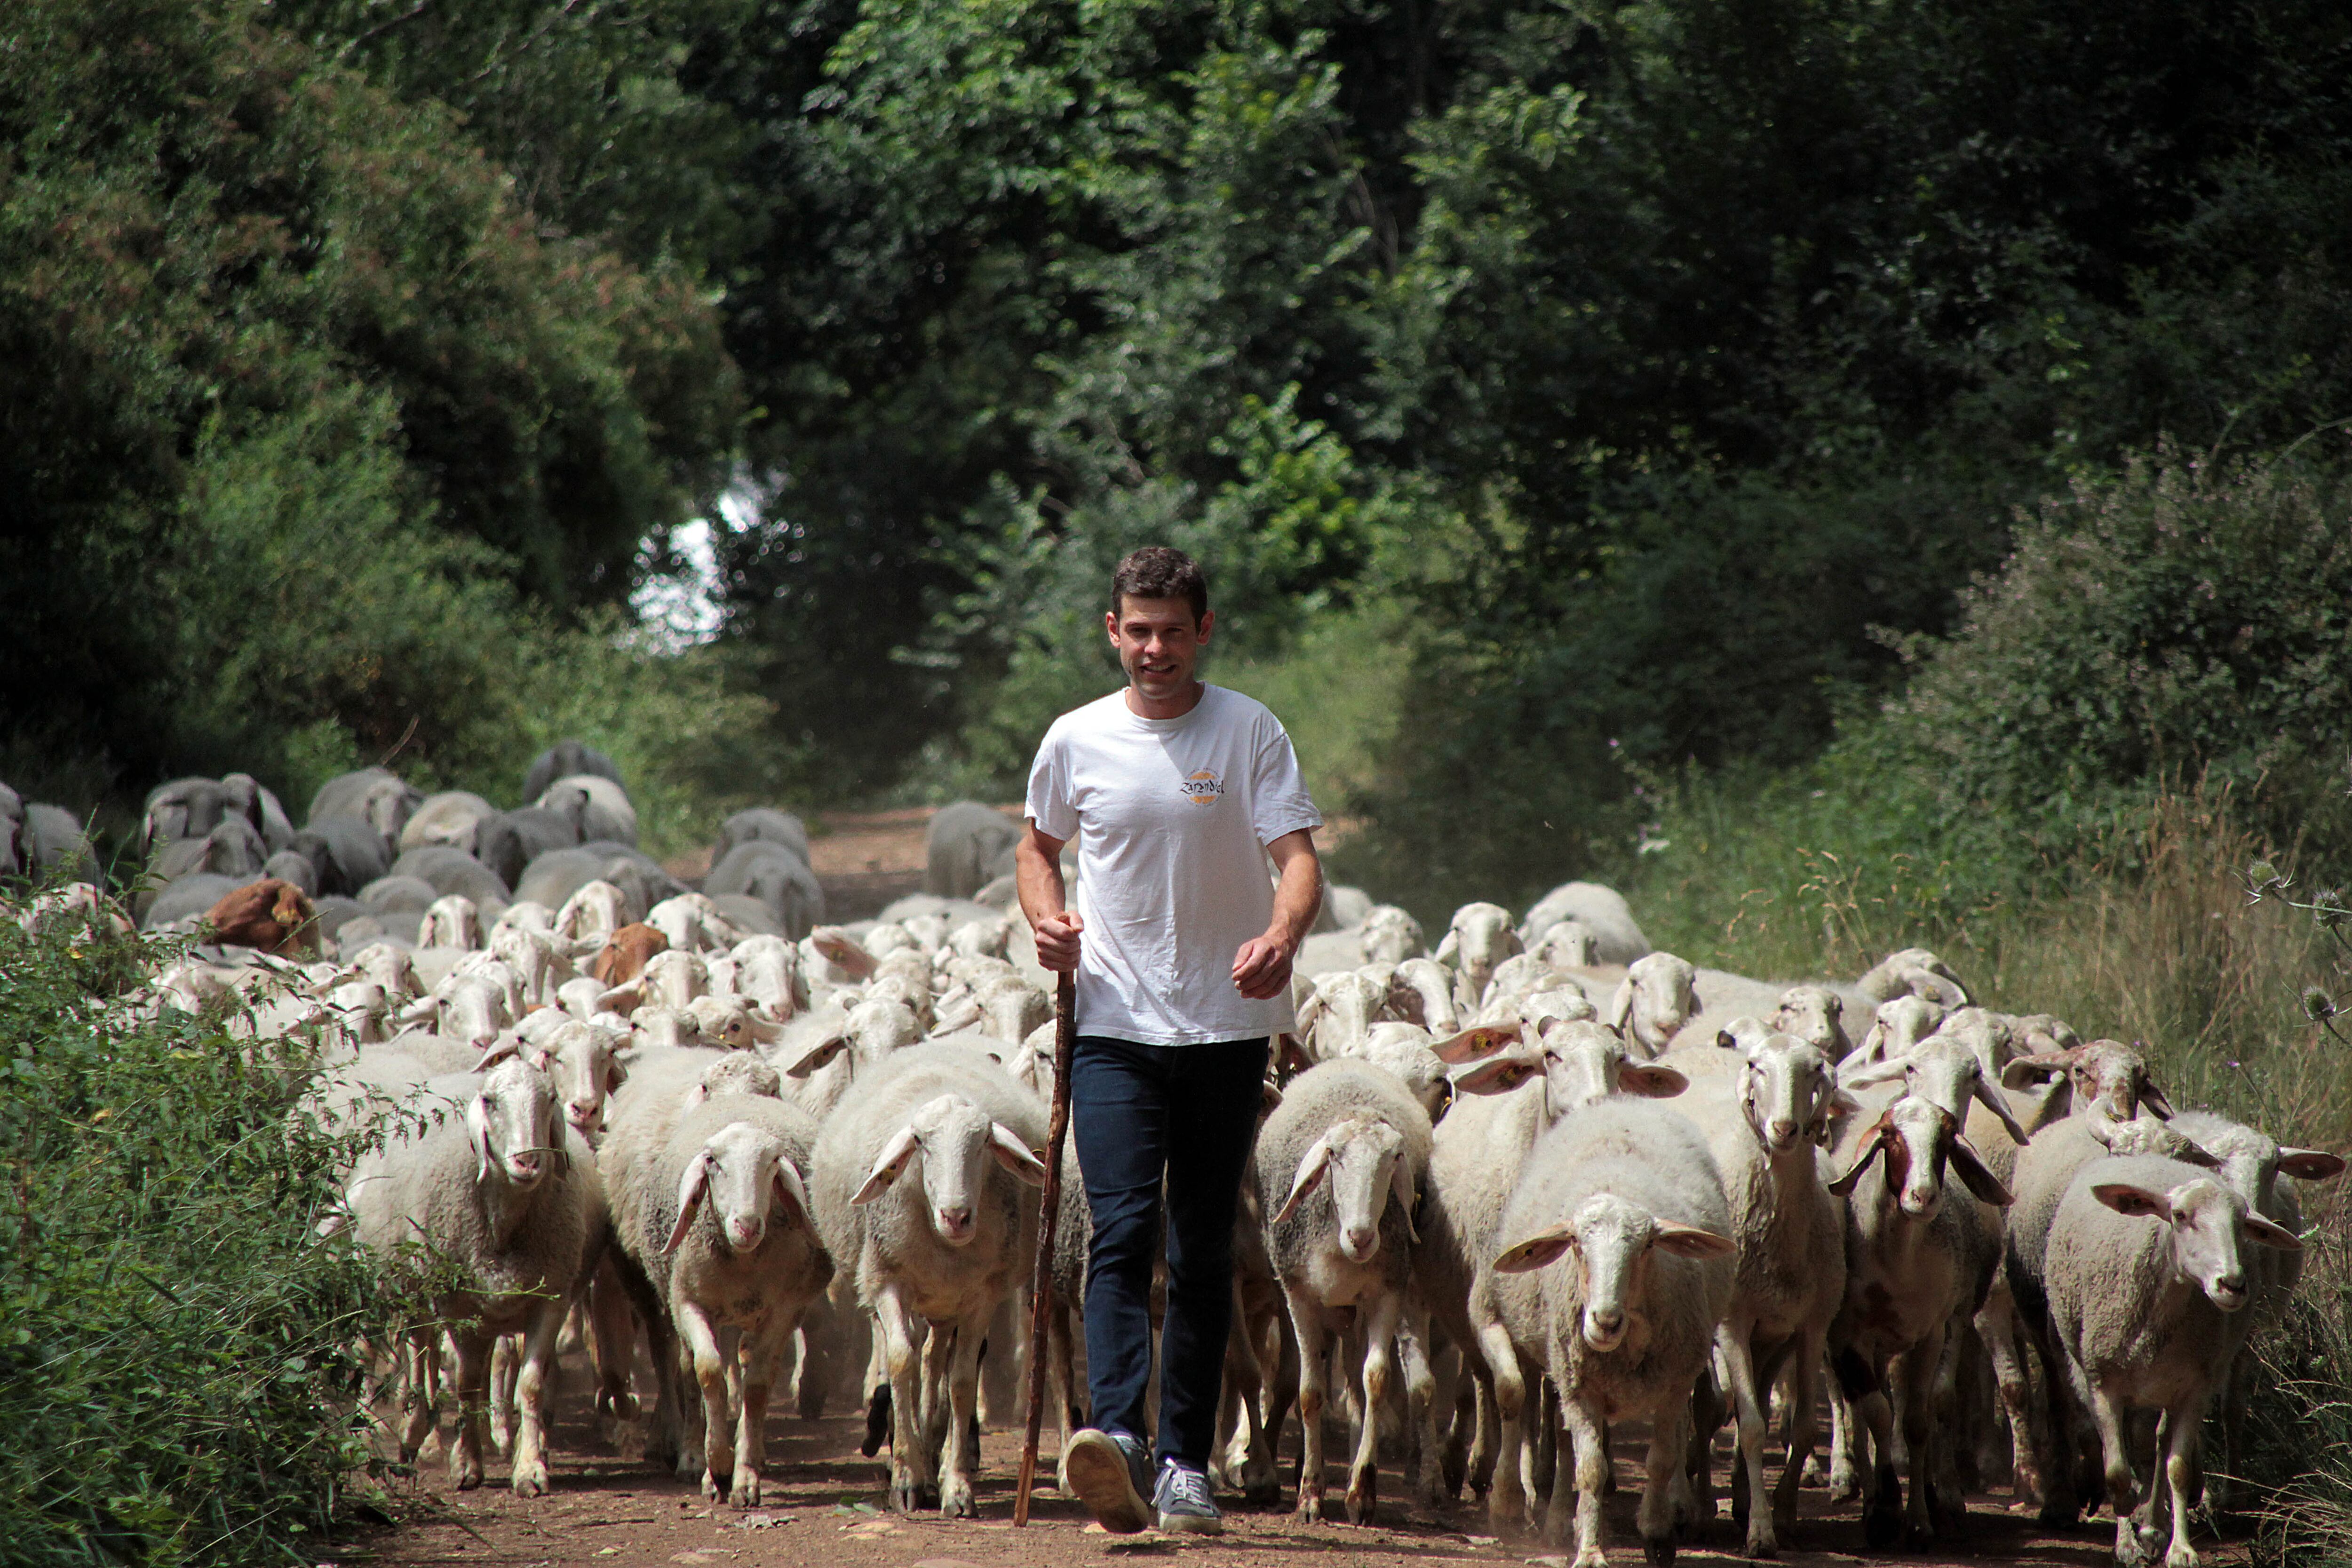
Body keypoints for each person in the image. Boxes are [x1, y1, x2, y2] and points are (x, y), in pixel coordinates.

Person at [1018, 545, 1322, 1536]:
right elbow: (1037, 849)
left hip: (1226, 1028)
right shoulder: (1075, 738)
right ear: (1112, 630)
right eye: (1136, 630)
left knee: (1198, 1246)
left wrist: (1281, 935)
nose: (1154, 648)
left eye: (1172, 630)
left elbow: (1296, 859)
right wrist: (1046, 921)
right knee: (1118, 1233)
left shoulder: (1248, 730)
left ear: (1202, 630)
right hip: (1111, 1023)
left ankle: (1187, 1459)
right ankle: (1118, 1439)